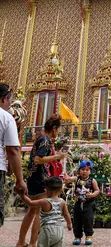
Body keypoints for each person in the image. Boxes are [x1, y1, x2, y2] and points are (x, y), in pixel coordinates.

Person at [17, 114, 65, 247]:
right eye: (58, 129)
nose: (59, 132)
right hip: (40, 178)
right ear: (54, 128)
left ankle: (21, 242)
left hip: (33, 177)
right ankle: (33, 243)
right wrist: (57, 156)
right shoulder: (45, 140)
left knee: (32, 209)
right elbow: (38, 159)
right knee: (38, 211)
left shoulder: (41, 138)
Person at [0, 84, 27, 228]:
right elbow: (14, 151)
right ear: (4, 99)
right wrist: (20, 180)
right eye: (10, 100)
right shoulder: (6, 117)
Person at [19, 177, 72, 247]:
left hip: (47, 230)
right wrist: (69, 224)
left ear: (46, 190)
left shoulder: (44, 201)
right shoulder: (62, 202)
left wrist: (22, 195)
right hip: (59, 230)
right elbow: (66, 214)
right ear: (61, 190)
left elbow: (30, 203)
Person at [64, 160, 99, 246]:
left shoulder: (92, 180)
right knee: (77, 220)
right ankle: (77, 236)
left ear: (90, 171)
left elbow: (97, 190)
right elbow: (69, 179)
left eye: (87, 170)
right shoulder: (76, 179)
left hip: (88, 204)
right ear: (79, 170)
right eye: (83, 169)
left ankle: (88, 236)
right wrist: (66, 178)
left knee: (88, 220)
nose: (84, 171)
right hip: (78, 203)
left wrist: (92, 195)